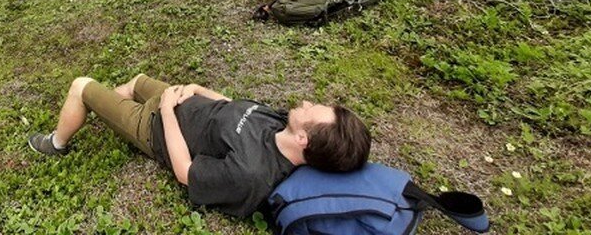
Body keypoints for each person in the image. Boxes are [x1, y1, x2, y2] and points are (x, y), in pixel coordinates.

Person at [28, 74, 371, 218]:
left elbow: (184, 171)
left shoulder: (251, 173)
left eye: (313, 111)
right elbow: (234, 106)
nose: (307, 102)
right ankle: (98, 113)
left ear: (304, 140)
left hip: (156, 128)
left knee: (81, 84)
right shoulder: (282, 123)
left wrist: (165, 112)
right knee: (135, 83)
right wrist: (196, 89)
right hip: (181, 101)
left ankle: (56, 143)